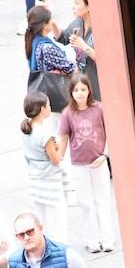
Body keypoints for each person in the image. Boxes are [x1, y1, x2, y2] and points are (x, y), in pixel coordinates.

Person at [56, 75, 114, 254]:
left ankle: (108, 238)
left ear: (89, 90)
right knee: (86, 202)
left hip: (99, 162)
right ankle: (92, 240)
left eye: (83, 89)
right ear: (71, 92)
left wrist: (105, 155)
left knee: (103, 200)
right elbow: (63, 137)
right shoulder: (67, 113)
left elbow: (110, 132)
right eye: (76, 90)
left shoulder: (99, 108)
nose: (80, 93)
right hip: (79, 164)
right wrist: (58, 159)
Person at [20, 94, 67, 245]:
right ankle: (59, 248)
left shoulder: (26, 129)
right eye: (48, 105)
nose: (50, 107)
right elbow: (55, 159)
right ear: (42, 109)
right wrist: (59, 147)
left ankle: (44, 245)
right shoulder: (45, 134)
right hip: (50, 182)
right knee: (57, 220)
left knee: (42, 219)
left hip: (35, 180)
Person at [64, 0, 100, 100]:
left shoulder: (100, 27)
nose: (73, 7)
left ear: (89, 6)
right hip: (83, 82)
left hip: (97, 81)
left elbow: (105, 61)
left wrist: (83, 46)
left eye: (77, 3)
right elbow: (63, 38)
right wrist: (52, 24)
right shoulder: (77, 22)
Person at [24, 3, 77, 79]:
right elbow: (71, 69)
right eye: (51, 19)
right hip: (52, 88)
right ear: (44, 25)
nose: (53, 21)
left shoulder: (33, 40)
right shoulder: (47, 48)